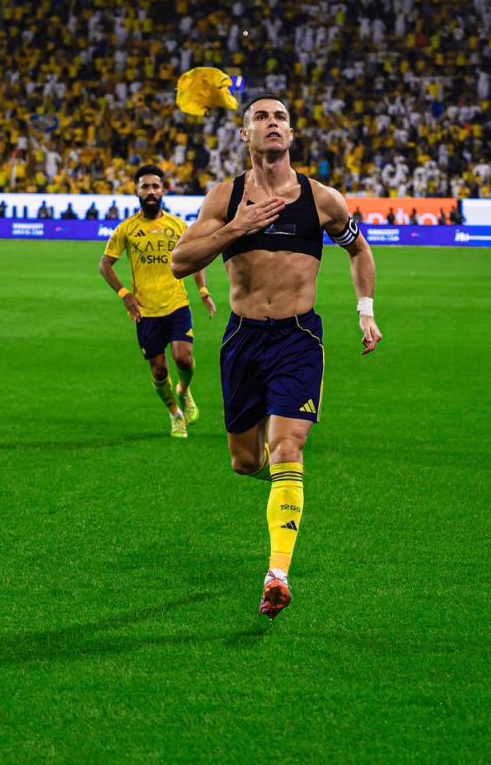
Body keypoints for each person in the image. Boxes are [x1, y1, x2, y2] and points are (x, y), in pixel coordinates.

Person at [171, 95, 382, 619]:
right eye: (261, 117)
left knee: (288, 448)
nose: (272, 123)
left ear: (291, 134)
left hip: (297, 339)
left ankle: (277, 574)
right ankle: (279, 488)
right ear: (245, 136)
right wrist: (236, 227)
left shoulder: (322, 199)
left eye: (281, 117)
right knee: (247, 462)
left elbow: (358, 249)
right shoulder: (227, 196)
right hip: (243, 340)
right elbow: (179, 263)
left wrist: (365, 309)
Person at [100, 165, 217, 439]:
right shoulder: (127, 229)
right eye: (145, 187)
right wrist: (124, 294)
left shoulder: (178, 225)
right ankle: (175, 413)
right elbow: (105, 265)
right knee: (160, 369)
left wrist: (203, 292)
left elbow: (196, 259)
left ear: (163, 190)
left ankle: (184, 391)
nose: (150, 192)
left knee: (183, 359)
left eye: (155, 186)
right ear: (136, 191)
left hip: (176, 303)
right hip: (145, 310)